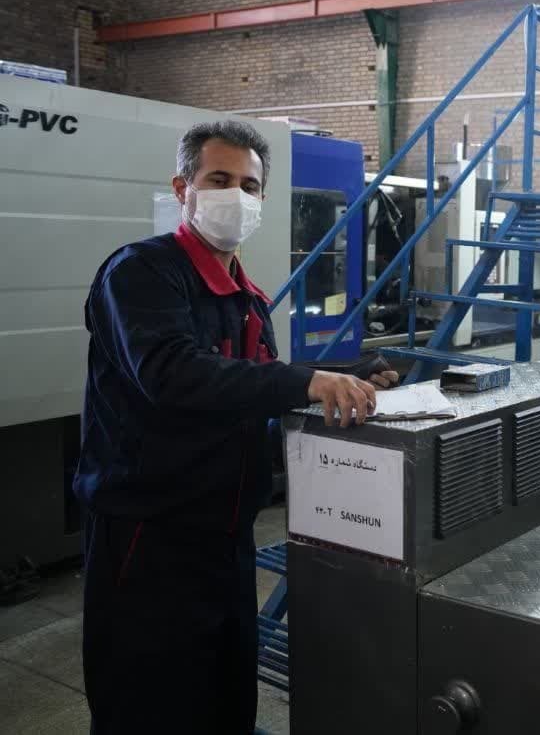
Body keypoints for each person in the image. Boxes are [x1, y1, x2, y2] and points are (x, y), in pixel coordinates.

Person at [75, 120, 396, 734]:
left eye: (249, 186)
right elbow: (172, 373)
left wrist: (347, 376)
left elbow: (249, 386)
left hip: (225, 536)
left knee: (222, 701)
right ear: (183, 188)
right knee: (147, 709)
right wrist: (304, 382)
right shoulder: (141, 274)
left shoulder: (245, 297)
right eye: (218, 180)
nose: (236, 196)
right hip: (150, 536)